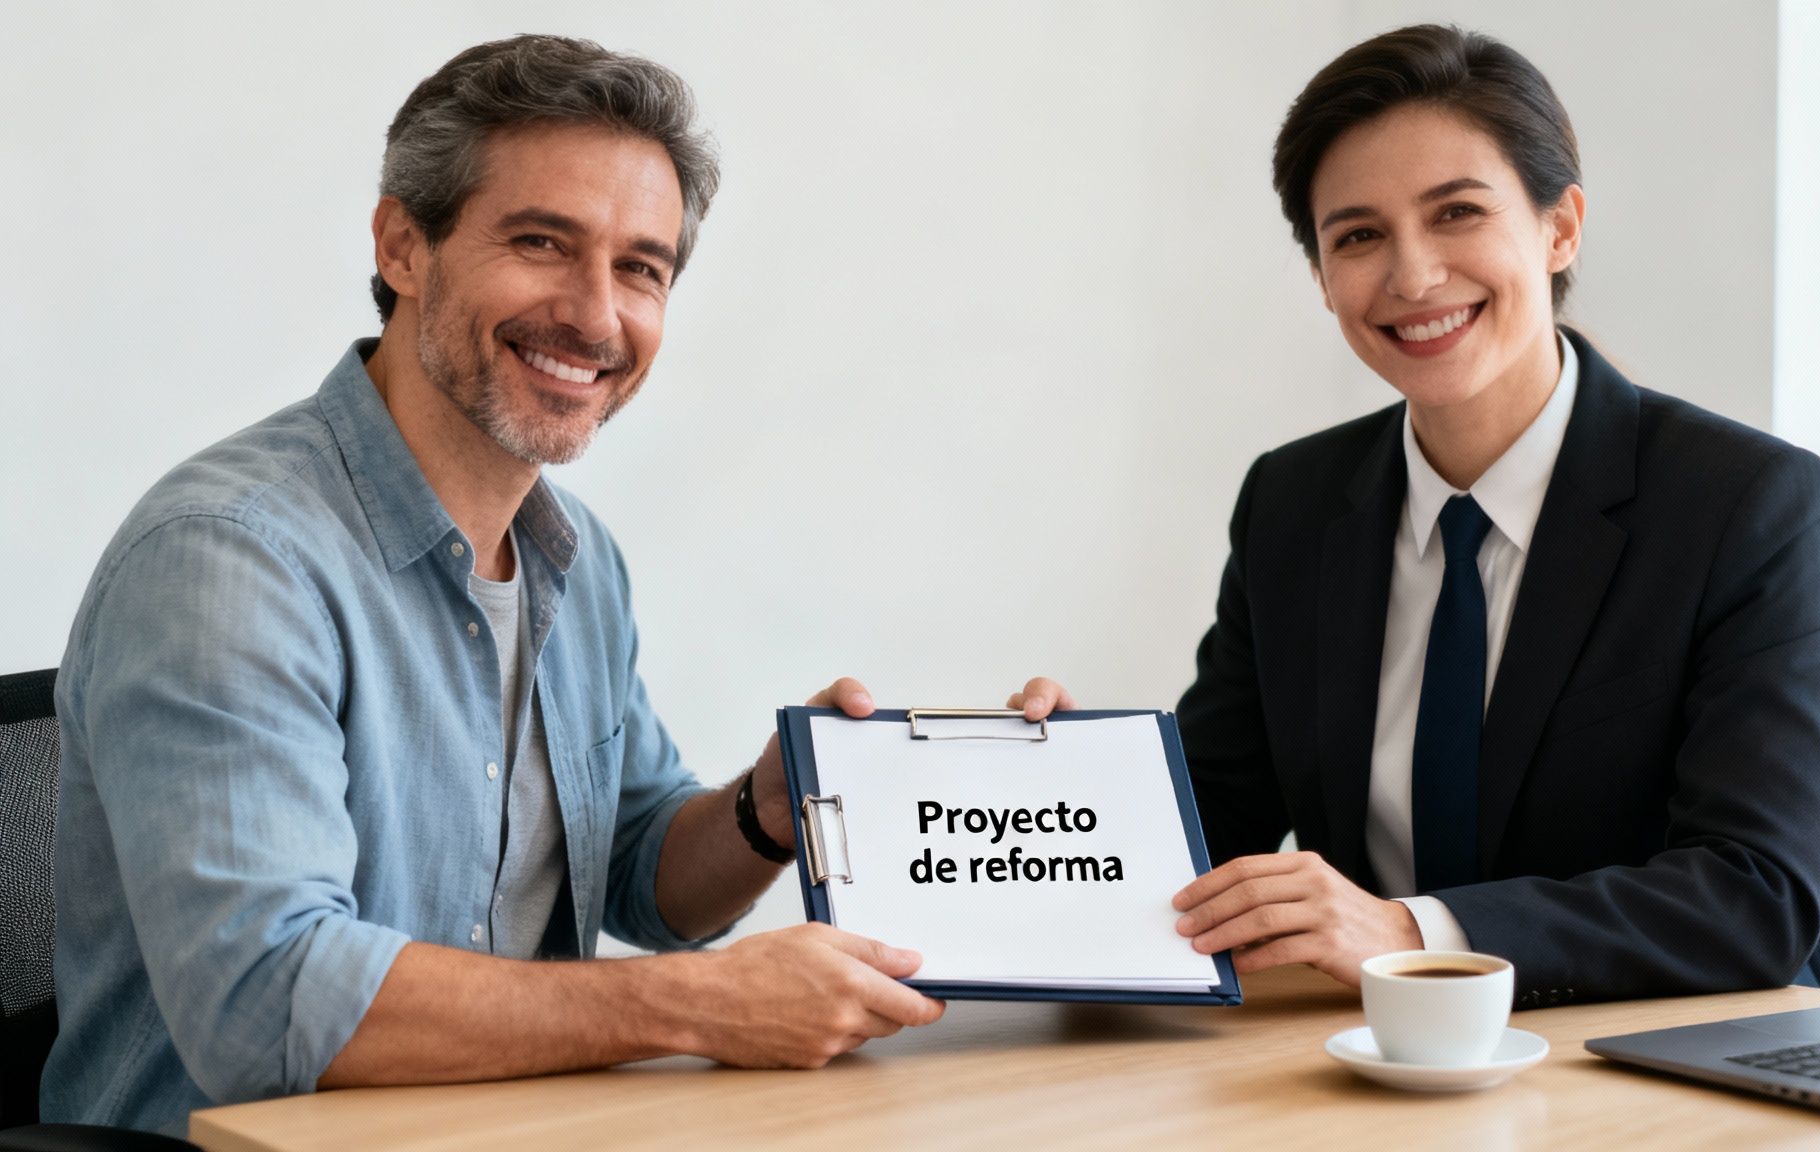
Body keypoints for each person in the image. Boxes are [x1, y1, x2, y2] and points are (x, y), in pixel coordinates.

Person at [42, 35, 1071, 1134]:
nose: (594, 315)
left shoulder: (573, 558)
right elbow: (265, 1004)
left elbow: (638, 877)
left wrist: (768, 811)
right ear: (403, 245)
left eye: (641, 268)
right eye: (542, 242)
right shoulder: (230, 559)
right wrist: (699, 1006)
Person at [1165, 24, 1820, 1008]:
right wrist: (1038, 790)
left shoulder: (1742, 505)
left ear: (1558, 226)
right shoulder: (1294, 503)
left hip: (1666, 1047)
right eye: (1356, 235)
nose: (1409, 276)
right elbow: (1206, 826)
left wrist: (1410, 935)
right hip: (1374, 1053)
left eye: (1454, 213)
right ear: (1322, 278)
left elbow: (1752, 896)